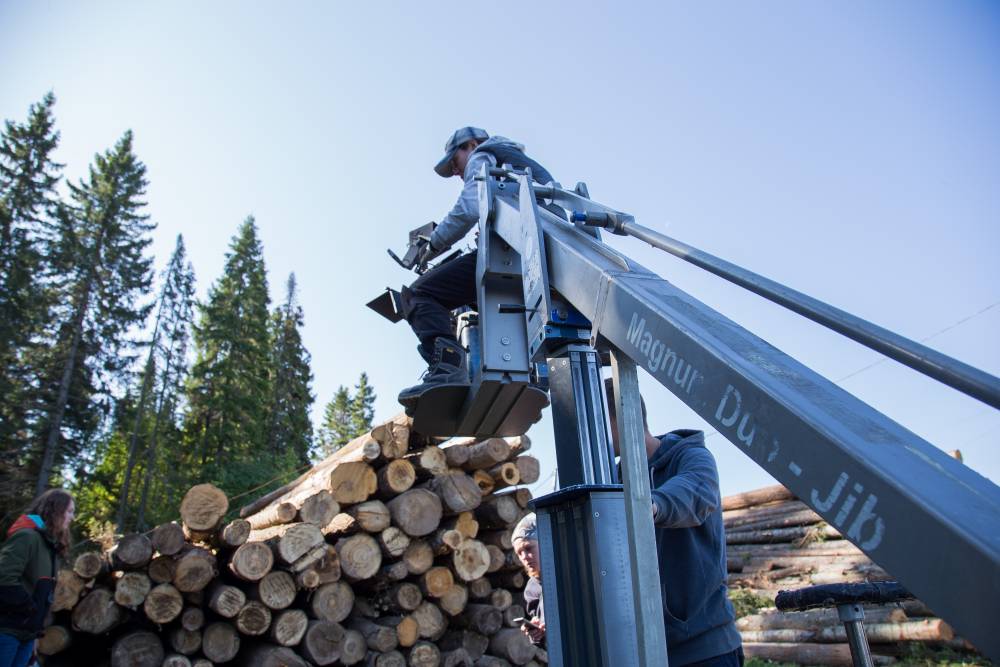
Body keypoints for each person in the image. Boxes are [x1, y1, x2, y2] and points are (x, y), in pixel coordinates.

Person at [397, 127, 554, 407]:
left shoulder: (482, 156)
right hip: (542, 254)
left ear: (470, 145)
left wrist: (433, 245)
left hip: (515, 251)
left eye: (455, 162)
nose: (456, 171)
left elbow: (469, 206)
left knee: (419, 294)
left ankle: (449, 367)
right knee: (478, 304)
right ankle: (531, 371)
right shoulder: (518, 165)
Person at [605, 379, 743, 667]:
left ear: (623, 416)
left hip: (704, 650)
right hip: (641, 651)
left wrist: (651, 505)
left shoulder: (691, 457)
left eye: (598, 422)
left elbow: (695, 492)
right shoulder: (611, 479)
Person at [0, 489, 74, 667]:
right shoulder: (27, 537)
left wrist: (35, 630)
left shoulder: (49, 545)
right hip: (6, 632)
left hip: (26, 635)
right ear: (56, 510)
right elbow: (4, 577)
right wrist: (29, 608)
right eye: (70, 511)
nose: (73, 517)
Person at [510, 512, 545, 646]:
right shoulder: (531, 589)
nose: (524, 557)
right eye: (519, 553)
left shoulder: (573, 571)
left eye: (528, 548)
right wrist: (536, 632)